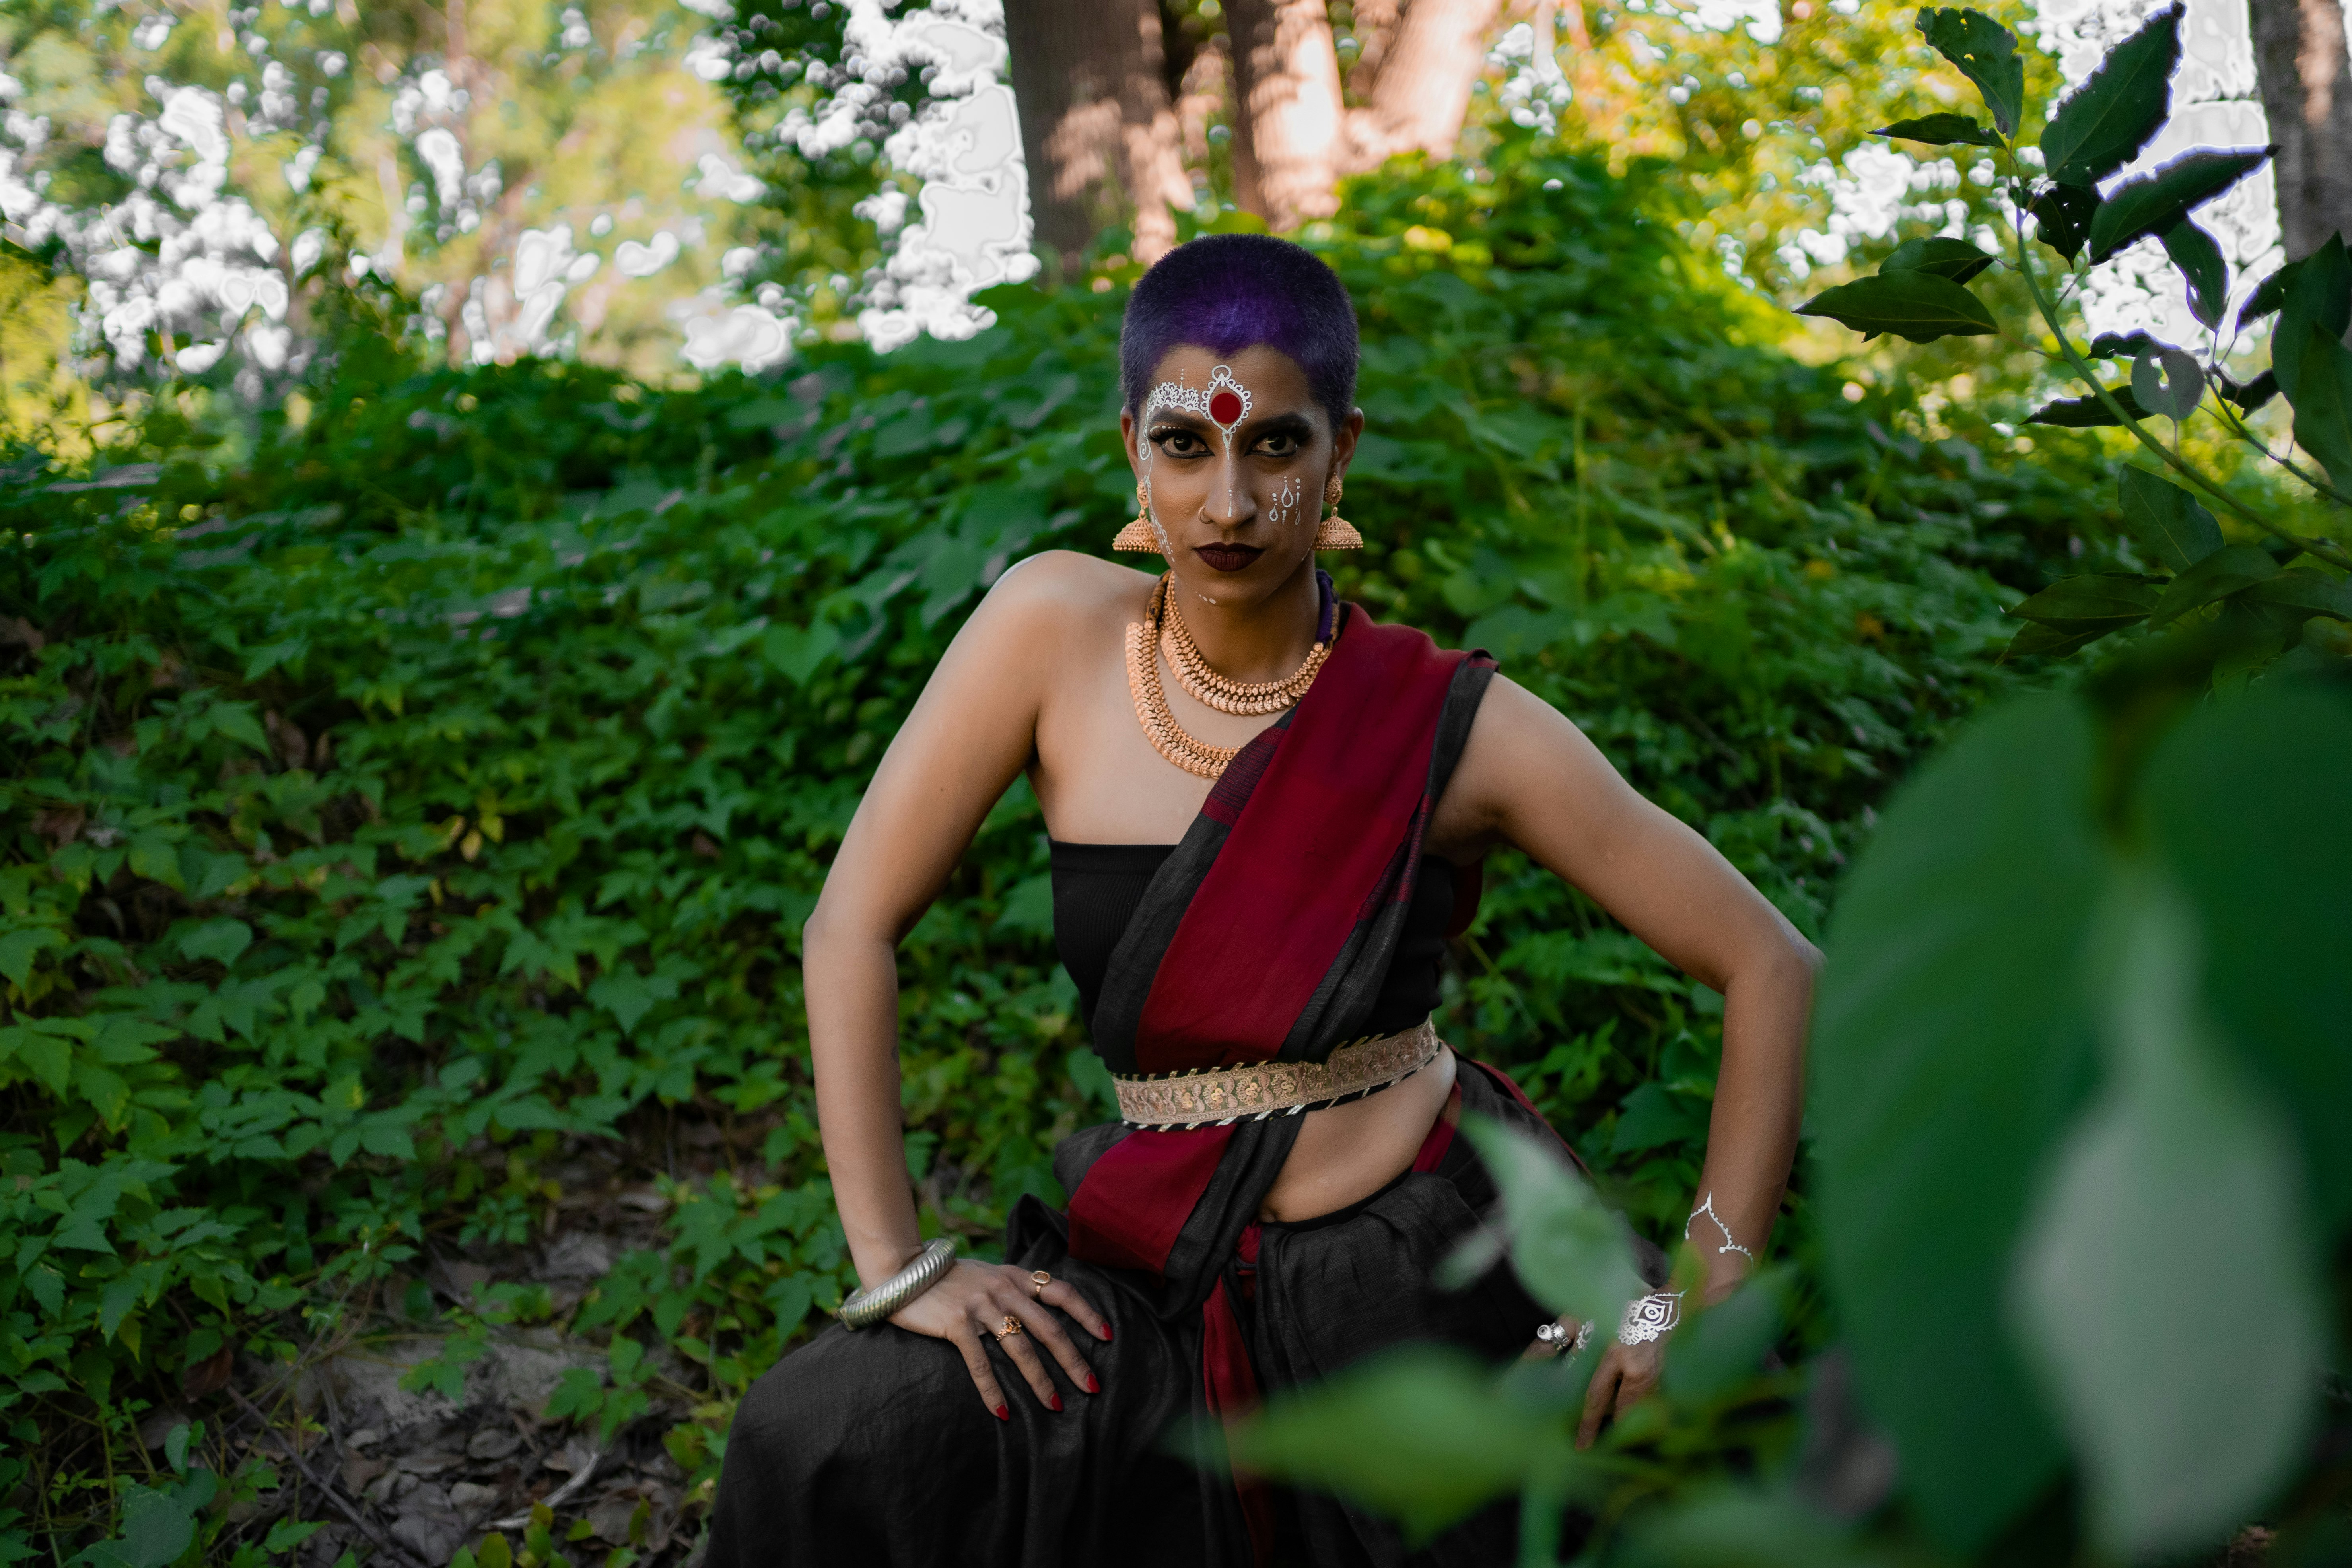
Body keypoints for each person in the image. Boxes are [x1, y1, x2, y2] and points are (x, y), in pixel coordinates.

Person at [705, 234, 1816, 1567]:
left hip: (1427, 1264)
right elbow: (850, 927)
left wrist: (1709, 1279)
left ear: (1340, 453)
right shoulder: (1050, 633)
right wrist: (900, 1265)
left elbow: (1770, 963)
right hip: (1156, 1264)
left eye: (1274, 449)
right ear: (1132, 444)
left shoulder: (1441, 725)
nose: (1227, 504)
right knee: (837, 1431)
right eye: (1186, 446)